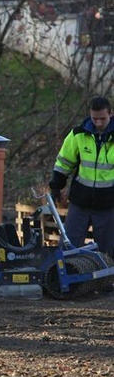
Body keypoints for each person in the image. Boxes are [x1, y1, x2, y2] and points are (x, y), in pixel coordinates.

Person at [49, 96, 114, 260]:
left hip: (108, 205)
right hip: (80, 202)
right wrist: (56, 186)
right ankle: (63, 282)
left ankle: (107, 284)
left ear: (111, 114)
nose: (98, 123)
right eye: (94, 118)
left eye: (102, 119)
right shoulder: (78, 134)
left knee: (108, 252)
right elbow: (64, 161)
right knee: (68, 245)